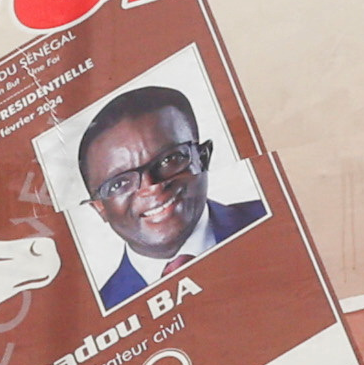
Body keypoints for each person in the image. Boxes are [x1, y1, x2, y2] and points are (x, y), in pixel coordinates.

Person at [76, 88, 270, 308]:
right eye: (119, 184)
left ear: (203, 157)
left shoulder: (280, 217)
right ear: (99, 207)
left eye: (169, 160)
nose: (152, 188)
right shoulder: (104, 311)